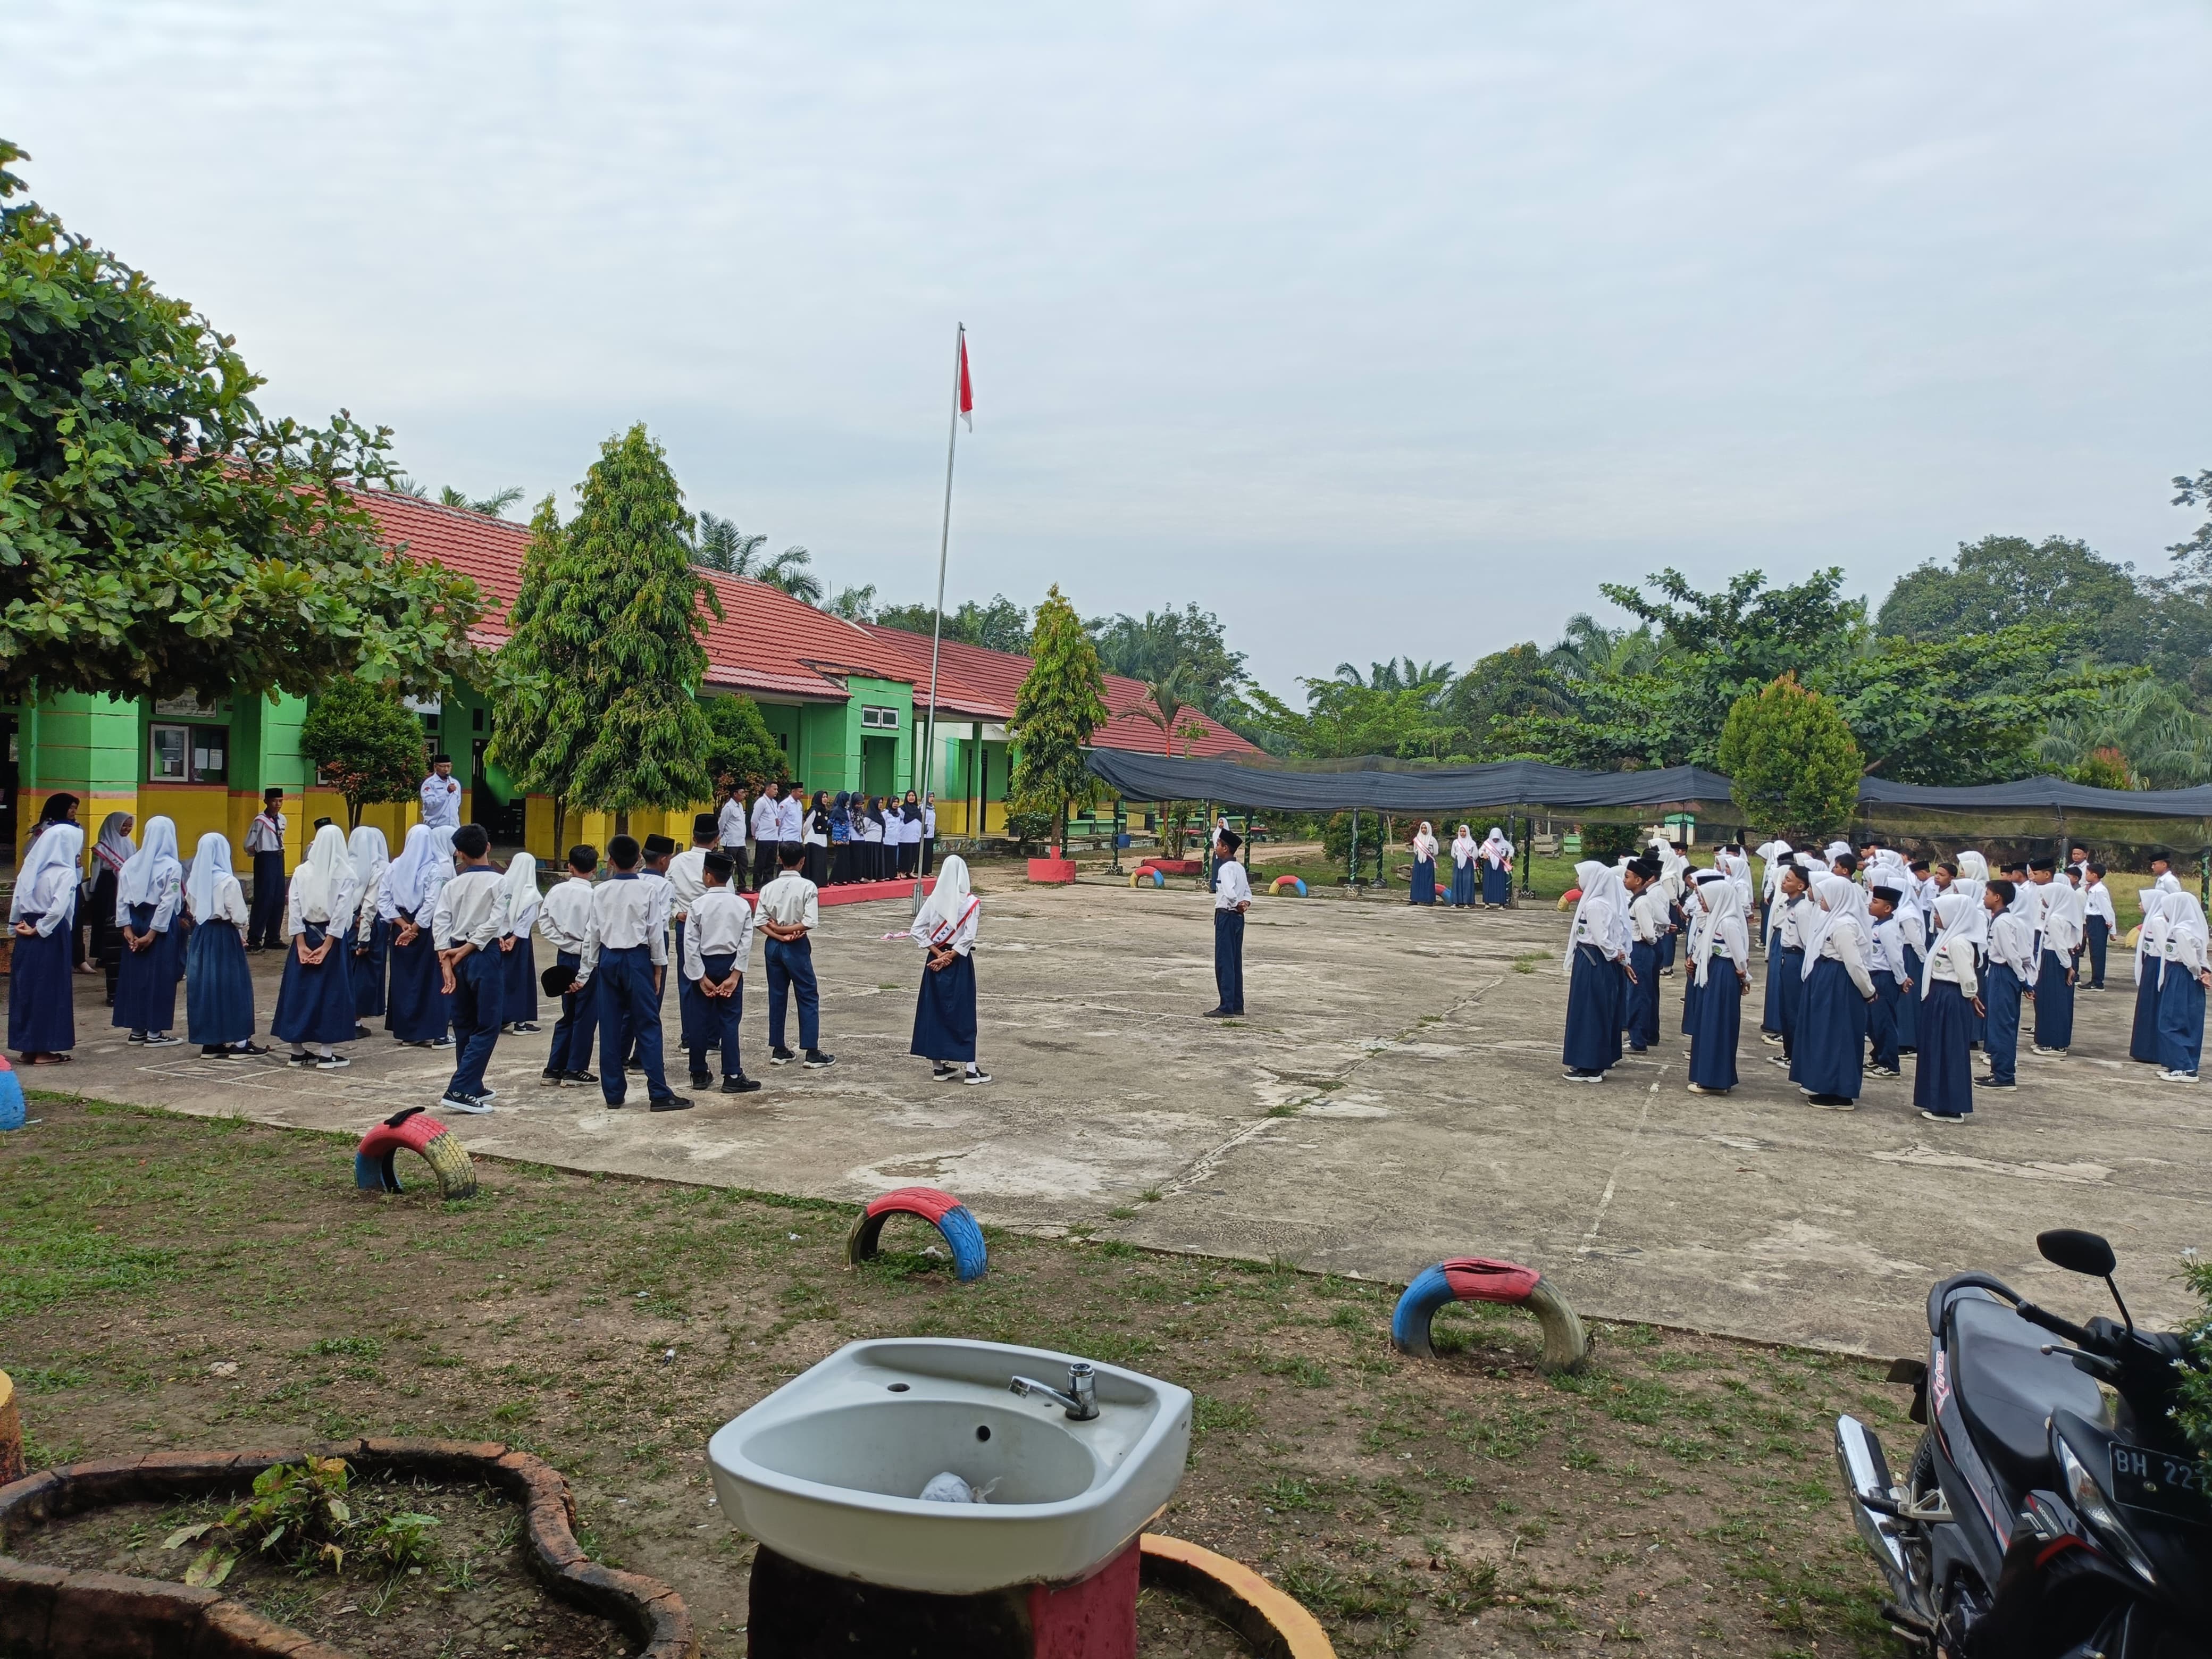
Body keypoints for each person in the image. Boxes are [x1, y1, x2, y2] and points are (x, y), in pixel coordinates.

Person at [429, 824, 507, 1111]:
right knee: (487, 1025)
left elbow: (440, 921)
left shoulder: (453, 884)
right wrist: (468, 948)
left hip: (455, 953)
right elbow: (495, 922)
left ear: (459, 854)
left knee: (464, 1023)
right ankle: (460, 1089)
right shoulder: (500, 882)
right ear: (488, 847)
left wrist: (445, 960)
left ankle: (472, 1082)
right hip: (482, 954)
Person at [271, 823, 359, 1070]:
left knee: (299, 991)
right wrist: (328, 944)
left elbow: (295, 907)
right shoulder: (345, 873)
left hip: (307, 936)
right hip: (331, 939)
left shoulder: (301, 871)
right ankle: (326, 1054)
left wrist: (300, 943)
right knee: (331, 993)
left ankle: (297, 1051)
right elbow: (342, 913)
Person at [1791, 873, 1875, 1109]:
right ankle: (1822, 1083)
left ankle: (1839, 1091)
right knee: (1824, 1034)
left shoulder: (1844, 926)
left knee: (1838, 1035)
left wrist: (1868, 991)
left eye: (1825, 895)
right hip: (1827, 979)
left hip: (1840, 983)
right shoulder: (1832, 919)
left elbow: (1854, 963)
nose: (1821, 899)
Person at [682, 850, 760, 1093]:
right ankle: (733, 1074)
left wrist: (700, 977)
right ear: (730, 875)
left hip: (704, 963)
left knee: (699, 1020)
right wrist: (735, 976)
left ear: (707, 875)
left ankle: (698, 1072)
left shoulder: (697, 905)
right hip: (729, 965)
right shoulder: (741, 905)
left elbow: (690, 944)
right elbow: (745, 943)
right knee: (729, 1020)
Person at [906, 852, 988, 1082]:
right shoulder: (971, 903)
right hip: (959, 962)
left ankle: (939, 1067)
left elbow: (917, 930)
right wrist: (951, 956)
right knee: (963, 1012)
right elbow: (969, 936)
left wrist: (939, 954)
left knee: (934, 1011)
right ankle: (971, 1070)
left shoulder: (934, 900)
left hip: (935, 962)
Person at [10, 822, 83, 1064]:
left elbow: (17, 900)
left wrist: (17, 927)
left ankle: (27, 1047)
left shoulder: (32, 869)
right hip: (49, 934)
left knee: (27, 988)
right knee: (51, 989)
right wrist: (40, 929)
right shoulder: (65, 872)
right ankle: (45, 1050)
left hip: (26, 930)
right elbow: (59, 908)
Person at [183, 832, 262, 1058]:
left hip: (202, 935)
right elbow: (238, 915)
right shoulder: (228, 881)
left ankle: (211, 1042)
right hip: (224, 936)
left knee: (206, 987)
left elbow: (192, 909)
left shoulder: (194, 880)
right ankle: (240, 1041)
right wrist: (241, 931)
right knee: (233, 986)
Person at [757, 842, 835, 1067]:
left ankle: (779, 1048)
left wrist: (778, 934)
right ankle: (811, 1051)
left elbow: (760, 921)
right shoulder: (807, 886)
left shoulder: (768, 888)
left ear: (780, 859)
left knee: (777, 995)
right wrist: (787, 933)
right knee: (808, 994)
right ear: (803, 861)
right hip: (797, 943)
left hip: (773, 945)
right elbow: (810, 922)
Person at [113, 815, 187, 1047]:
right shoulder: (173, 867)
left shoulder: (130, 863)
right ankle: (155, 1032)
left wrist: (127, 928)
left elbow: (122, 898)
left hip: (135, 920)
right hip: (160, 924)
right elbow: (167, 902)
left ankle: (137, 1030)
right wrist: (153, 934)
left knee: (136, 975)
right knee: (161, 976)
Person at [384, 823, 455, 1048]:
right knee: (432, 979)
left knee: (404, 979)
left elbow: (384, 900)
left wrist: (403, 925)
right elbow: (432, 903)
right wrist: (415, 928)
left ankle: (409, 1031)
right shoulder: (433, 869)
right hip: (426, 931)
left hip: (399, 927)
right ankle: (438, 1033)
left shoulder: (394, 867)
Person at [537, 844, 600, 1088]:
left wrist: (566, 943)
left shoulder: (556, 891)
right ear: (594, 869)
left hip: (564, 956)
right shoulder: (594, 896)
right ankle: (575, 1069)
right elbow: (594, 934)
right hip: (588, 957)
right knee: (584, 1015)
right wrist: (583, 962)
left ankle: (554, 1068)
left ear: (570, 866)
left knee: (568, 1013)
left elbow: (544, 923)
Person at [1562, 859, 1631, 1082]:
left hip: (1592, 961)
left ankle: (1590, 1066)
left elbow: (1602, 938)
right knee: (1592, 1010)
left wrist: (1614, 953)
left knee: (1588, 1012)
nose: (1576, 880)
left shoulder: (1595, 905)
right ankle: (1591, 1062)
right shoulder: (1600, 902)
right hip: (1595, 960)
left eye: (1580, 876)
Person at [1915, 893, 1981, 1121]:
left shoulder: (1958, 942)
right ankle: (1936, 1100)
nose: (1934, 917)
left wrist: (1972, 996)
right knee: (1937, 1047)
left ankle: (1950, 1105)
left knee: (1949, 1049)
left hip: (1950, 997)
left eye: (1939, 913)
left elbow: (1967, 976)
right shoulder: (1946, 937)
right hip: (1939, 994)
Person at [1683, 872, 1748, 1094]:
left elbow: (1740, 956)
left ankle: (1715, 1080)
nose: (1701, 902)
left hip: (1723, 973)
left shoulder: (1729, 923)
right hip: (1713, 970)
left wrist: (1744, 977)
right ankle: (1707, 1076)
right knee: (1708, 1023)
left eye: (1703, 898)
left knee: (1717, 1024)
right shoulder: (1715, 920)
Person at [666, 815, 719, 1057]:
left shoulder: (677, 862)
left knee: (688, 981)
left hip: (685, 924)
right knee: (715, 979)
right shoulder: (718, 862)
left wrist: (677, 913)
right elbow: (725, 896)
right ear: (716, 840)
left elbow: (667, 895)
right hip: (713, 927)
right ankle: (710, 1037)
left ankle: (689, 1037)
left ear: (693, 837)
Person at [1980, 880, 2033, 1092]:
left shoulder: (2003, 923)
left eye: (1987, 894)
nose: (1984, 898)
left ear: (1997, 897)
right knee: (1997, 1024)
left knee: (2002, 1025)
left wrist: (2024, 981)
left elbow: (2011, 955)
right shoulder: (2003, 919)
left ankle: (2004, 1075)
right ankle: (1998, 1070)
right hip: (1998, 972)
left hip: (2004, 974)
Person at [2155, 891, 2209, 1083]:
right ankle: (2181, 1064)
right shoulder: (2194, 928)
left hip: (2181, 974)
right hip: (2187, 976)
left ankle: (2185, 1068)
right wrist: (2205, 972)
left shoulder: (2181, 931)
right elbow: (2201, 957)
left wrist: (2197, 973)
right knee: (2188, 1021)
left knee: (2171, 1020)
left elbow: (2190, 960)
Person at [1763, 861, 1813, 1066]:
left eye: (1789, 880)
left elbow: (1807, 941)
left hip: (1796, 958)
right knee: (1785, 1007)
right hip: (1786, 956)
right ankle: (1788, 1051)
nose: (1784, 882)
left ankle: (1796, 1055)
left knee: (1794, 1008)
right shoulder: (1789, 904)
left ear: (1801, 886)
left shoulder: (1802, 909)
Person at [2028, 860, 2077, 1057]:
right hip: (2053, 959)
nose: (2044, 902)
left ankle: (2055, 1042)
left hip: (2056, 961)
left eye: (2046, 898)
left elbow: (2060, 947)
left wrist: (2068, 967)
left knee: (2055, 1001)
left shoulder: (2057, 919)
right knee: (2049, 1000)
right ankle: (2048, 1038)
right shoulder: (2057, 916)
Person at [84, 811, 134, 997]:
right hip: (107, 886)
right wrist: (94, 890)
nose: (127, 829)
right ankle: (103, 954)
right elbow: (95, 870)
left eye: (129, 825)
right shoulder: (102, 847)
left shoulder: (130, 844)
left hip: (123, 886)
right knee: (105, 919)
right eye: (124, 825)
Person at [348, 826, 391, 1038]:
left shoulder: (345, 866)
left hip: (346, 925)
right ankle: (355, 1021)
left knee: (346, 969)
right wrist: (364, 940)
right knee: (364, 974)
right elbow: (370, 906)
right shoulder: (382, 869)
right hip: (370, 926)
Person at [495, 848, 543, 1034]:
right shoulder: (530, 891)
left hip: (499, 938)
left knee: (502, 977)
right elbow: (527, 919)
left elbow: (495, 912)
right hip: (519, 940)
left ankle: (501, 1017)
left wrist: (500, 936)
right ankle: (521, 1023)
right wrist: (514, 939)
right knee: (520, 979)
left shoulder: (502, 885)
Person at [1205, 828, 1252, 1018]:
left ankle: (1226, 1006)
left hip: (1226, 915)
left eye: (1218, 845)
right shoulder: (1240, 868)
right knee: (1235, 960)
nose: (1216, 848)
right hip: (1239, 918)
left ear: (1225, 848)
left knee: (1224, 961)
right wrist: (1245, 903)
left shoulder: (1224, 869)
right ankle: (1237, 1004)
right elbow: (1247, 892)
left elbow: (1229, 892)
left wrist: (1236, 903)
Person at [1622, 855, 1667, 1053]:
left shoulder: (1642, 903)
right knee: (1639, 994)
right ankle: (1639, 1036)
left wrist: (1647, 941)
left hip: (1640, 949)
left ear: (1639, 880)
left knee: (1638, 996)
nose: (1625, 880)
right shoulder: (1638, 899)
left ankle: (1638, 1041)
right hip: (1638, 949)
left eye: (1628, 877)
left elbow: (1649, 933)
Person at [1865, 886, 1911, 1079]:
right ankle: (1878, 1056)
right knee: (1873, 1023)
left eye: (1875, 902)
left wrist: (1902, 979)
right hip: (1873, 975)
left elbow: (1895, 958)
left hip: (1884, 977)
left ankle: (1890, 1064)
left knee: (1885, 1022)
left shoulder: (1889, 929)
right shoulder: (1877, 925)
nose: (1870, 904)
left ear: (1888, 909)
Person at [243, 787, 288, 950]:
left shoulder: (282, 819)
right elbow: (249, 843)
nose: (278, 804)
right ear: (266, 802)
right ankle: (255, 937)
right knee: (264, 897)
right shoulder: (260, 821)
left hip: (279, 857)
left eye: (280, 801)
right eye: (274, 801)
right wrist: (256, 853)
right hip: (266, 858)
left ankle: (273, 936)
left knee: (278, 897)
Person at [2131, 890, 2171, 1066]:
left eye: (2143, 901)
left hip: (2156, 965)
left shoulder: (2157, 922)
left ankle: (2151, 1049)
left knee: (2152, 1005)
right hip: (2151, 964)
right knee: (2147, 1006)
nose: (2140, 905)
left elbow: (2163, 949)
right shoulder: (2152, 920)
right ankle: (2144, 1048)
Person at [2081, 864, 2115, 990]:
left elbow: (2107, 910)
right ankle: (2095, 979)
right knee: (2094, 952)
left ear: (2094, 875)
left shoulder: (2100, 890)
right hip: (2092, 921)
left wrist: (2112, 930)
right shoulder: (2092, 888)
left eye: (2087, 873)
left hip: (2099, 921)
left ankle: (2098, 982)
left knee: (2098, 953)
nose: (2086, 876)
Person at [749, 781, 784, 892]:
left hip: (774, 837)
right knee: (761, 862)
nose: (776, 792)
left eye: (777, 789)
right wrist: (754, 833)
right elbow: (754, 820)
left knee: (771, 862)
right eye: (774, 789)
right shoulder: (761, 802)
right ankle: (757, 885)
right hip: (764, 837)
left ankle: (768, 883)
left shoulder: (774, 803)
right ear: (767, 789)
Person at [717, 782, 749, 889]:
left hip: (740, 842)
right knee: (730, 865)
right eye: (742, 793)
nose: (744, 795)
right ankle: (728, 885)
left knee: (744, 863)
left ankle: (742, 885)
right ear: (735, 794)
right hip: (731, 841)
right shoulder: (729, 807)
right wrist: (720, 836)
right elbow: (722, 823)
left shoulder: (740, 806)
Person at [420, 754, 462, 830]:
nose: (446, 769)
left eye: (449, 766)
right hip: (436, 826)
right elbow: (429, 803)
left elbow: (457, 803)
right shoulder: (429, 783)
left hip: (453, 826)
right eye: (443, 766)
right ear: (435, 767)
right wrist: (447, 793)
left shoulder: (455, 783)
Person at [1479, 827, 1513, 908]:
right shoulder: (1487, 843)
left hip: (1500, 865)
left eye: (1497, 839)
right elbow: (1480, 851)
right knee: (1488, 883)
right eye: (1494, 839)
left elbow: (1511, 849)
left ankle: (1501, 904)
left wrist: (1509, 857)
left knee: (1500, 883)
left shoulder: (1504, 843)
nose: (1495, 841)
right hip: (1489, 864)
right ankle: (1487, 903)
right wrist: (1484, 854)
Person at [803, 791, 833, 886]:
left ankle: (821, 881)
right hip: (813, 838)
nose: (825, 799)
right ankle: (812, 881)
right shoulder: (814, 810)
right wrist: (806, 836)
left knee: (821, 861)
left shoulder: (825, 811)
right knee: (814, 861)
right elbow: (807, 824)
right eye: (823, 797)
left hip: (822, 839)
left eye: (826, 797)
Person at [778, 783, 806, 883]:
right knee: (786, 863)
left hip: (797, 838)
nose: (802, 794)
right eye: (800, 792)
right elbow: (779, 821)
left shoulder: (799, 804)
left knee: (797, 862)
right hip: (787, 837)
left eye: (802, 792)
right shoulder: (785, 804)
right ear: (793, 791)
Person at [1407, 822, 1438, 907]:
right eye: (1422, 828)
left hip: (1428, 861)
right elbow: (1415, 850)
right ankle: (1415, 899)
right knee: (1417, 878)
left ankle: (1429, 900)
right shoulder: (1417, 839)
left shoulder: (1432, 840)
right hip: (1418, 860)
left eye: (1425, 828)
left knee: (1428, 879)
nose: (1424, 830)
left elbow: (1436, 852)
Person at [1447, 825, 1478, 909]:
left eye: (1464, 831)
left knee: (1467, 882)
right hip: (1458, 863)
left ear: (1467, 832)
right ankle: (1455, 902)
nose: (1462, 833)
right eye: (1461, 831)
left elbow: (1475, 855)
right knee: (1457, 881)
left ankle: (1467, 902)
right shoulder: (1456, 842)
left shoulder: (1472, 843)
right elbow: (1453, 853)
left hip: (1468, 864)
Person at [861, 795, 886, 880]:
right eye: (879, 803)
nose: (881, 805)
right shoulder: (869, 815)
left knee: (877, 859)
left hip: (878, 840)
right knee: (871, 860)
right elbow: (864, 828)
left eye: (882, 803)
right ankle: (870, 876)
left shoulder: (879, 814)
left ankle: (878, 876)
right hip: (870, 840)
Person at [921, 794, 938, 876]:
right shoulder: (922, 807)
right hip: (924, 834)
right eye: (930, 797)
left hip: (931, 834)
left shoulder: (932, 808)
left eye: (933, 797)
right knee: (924, 853)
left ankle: (928, 871)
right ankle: (922, 871)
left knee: (929, 854)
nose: (932, 798)